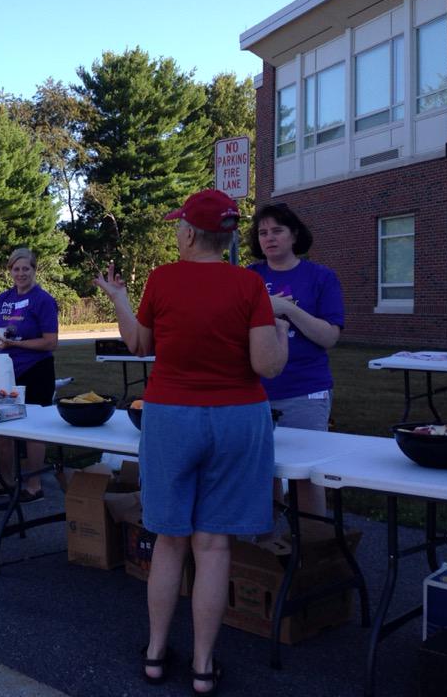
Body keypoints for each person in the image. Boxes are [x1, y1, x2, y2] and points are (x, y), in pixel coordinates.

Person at [94, 189, 289, 695]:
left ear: (189, 234)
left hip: (170, 418)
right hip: (237, 419)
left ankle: (157, 654)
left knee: (169, 540)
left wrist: (118, 298)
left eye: (180, 226)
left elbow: (140, 345)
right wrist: (281, 326)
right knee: (213, 542)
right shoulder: (250, 285)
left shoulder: (162, 278)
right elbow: (267, 366)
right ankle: (204, 667)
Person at [248, 203, 344, 517]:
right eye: (262, 232)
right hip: (255, 392)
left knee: (306, 476)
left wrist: (287, 309)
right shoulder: (248, 278)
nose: (269, 238)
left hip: (306, 390)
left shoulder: (320, 277)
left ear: (294, 235)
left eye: (277, 230)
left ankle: (313, 552)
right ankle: (263, 556)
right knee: (260, 474)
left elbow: (329, 337)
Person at [0, 247, 59, 504]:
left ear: (34, 270)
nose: (21, 273)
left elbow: (51, 342)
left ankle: (34, 485)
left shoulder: (44, 300)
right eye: (16, 269)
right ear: (10, 271)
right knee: (2, 426)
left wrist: (16, 344)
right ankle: (6, 480)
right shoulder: (2, 299)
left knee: (33, 429)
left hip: (37, 371)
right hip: (7, 370)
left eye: (26, 268)